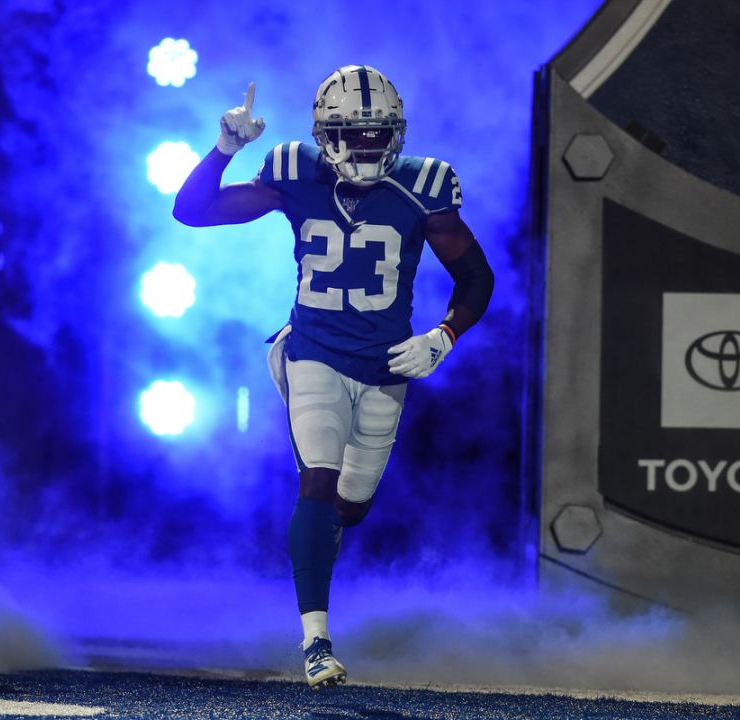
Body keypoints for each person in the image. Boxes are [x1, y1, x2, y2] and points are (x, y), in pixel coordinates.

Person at [173, 65, 494, 690]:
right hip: (313, 350)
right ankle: (316, 641)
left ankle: (320, 547)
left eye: (379, 134)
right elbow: (193, 211)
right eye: (354, 133)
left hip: (384, 365)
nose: (367, 146)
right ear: (324, 133)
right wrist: (223, 151)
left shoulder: (423, 189)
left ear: (397, 135)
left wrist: (442, 337)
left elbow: (476, 279)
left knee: (351, 506)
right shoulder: (295, 173)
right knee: (316, 481)